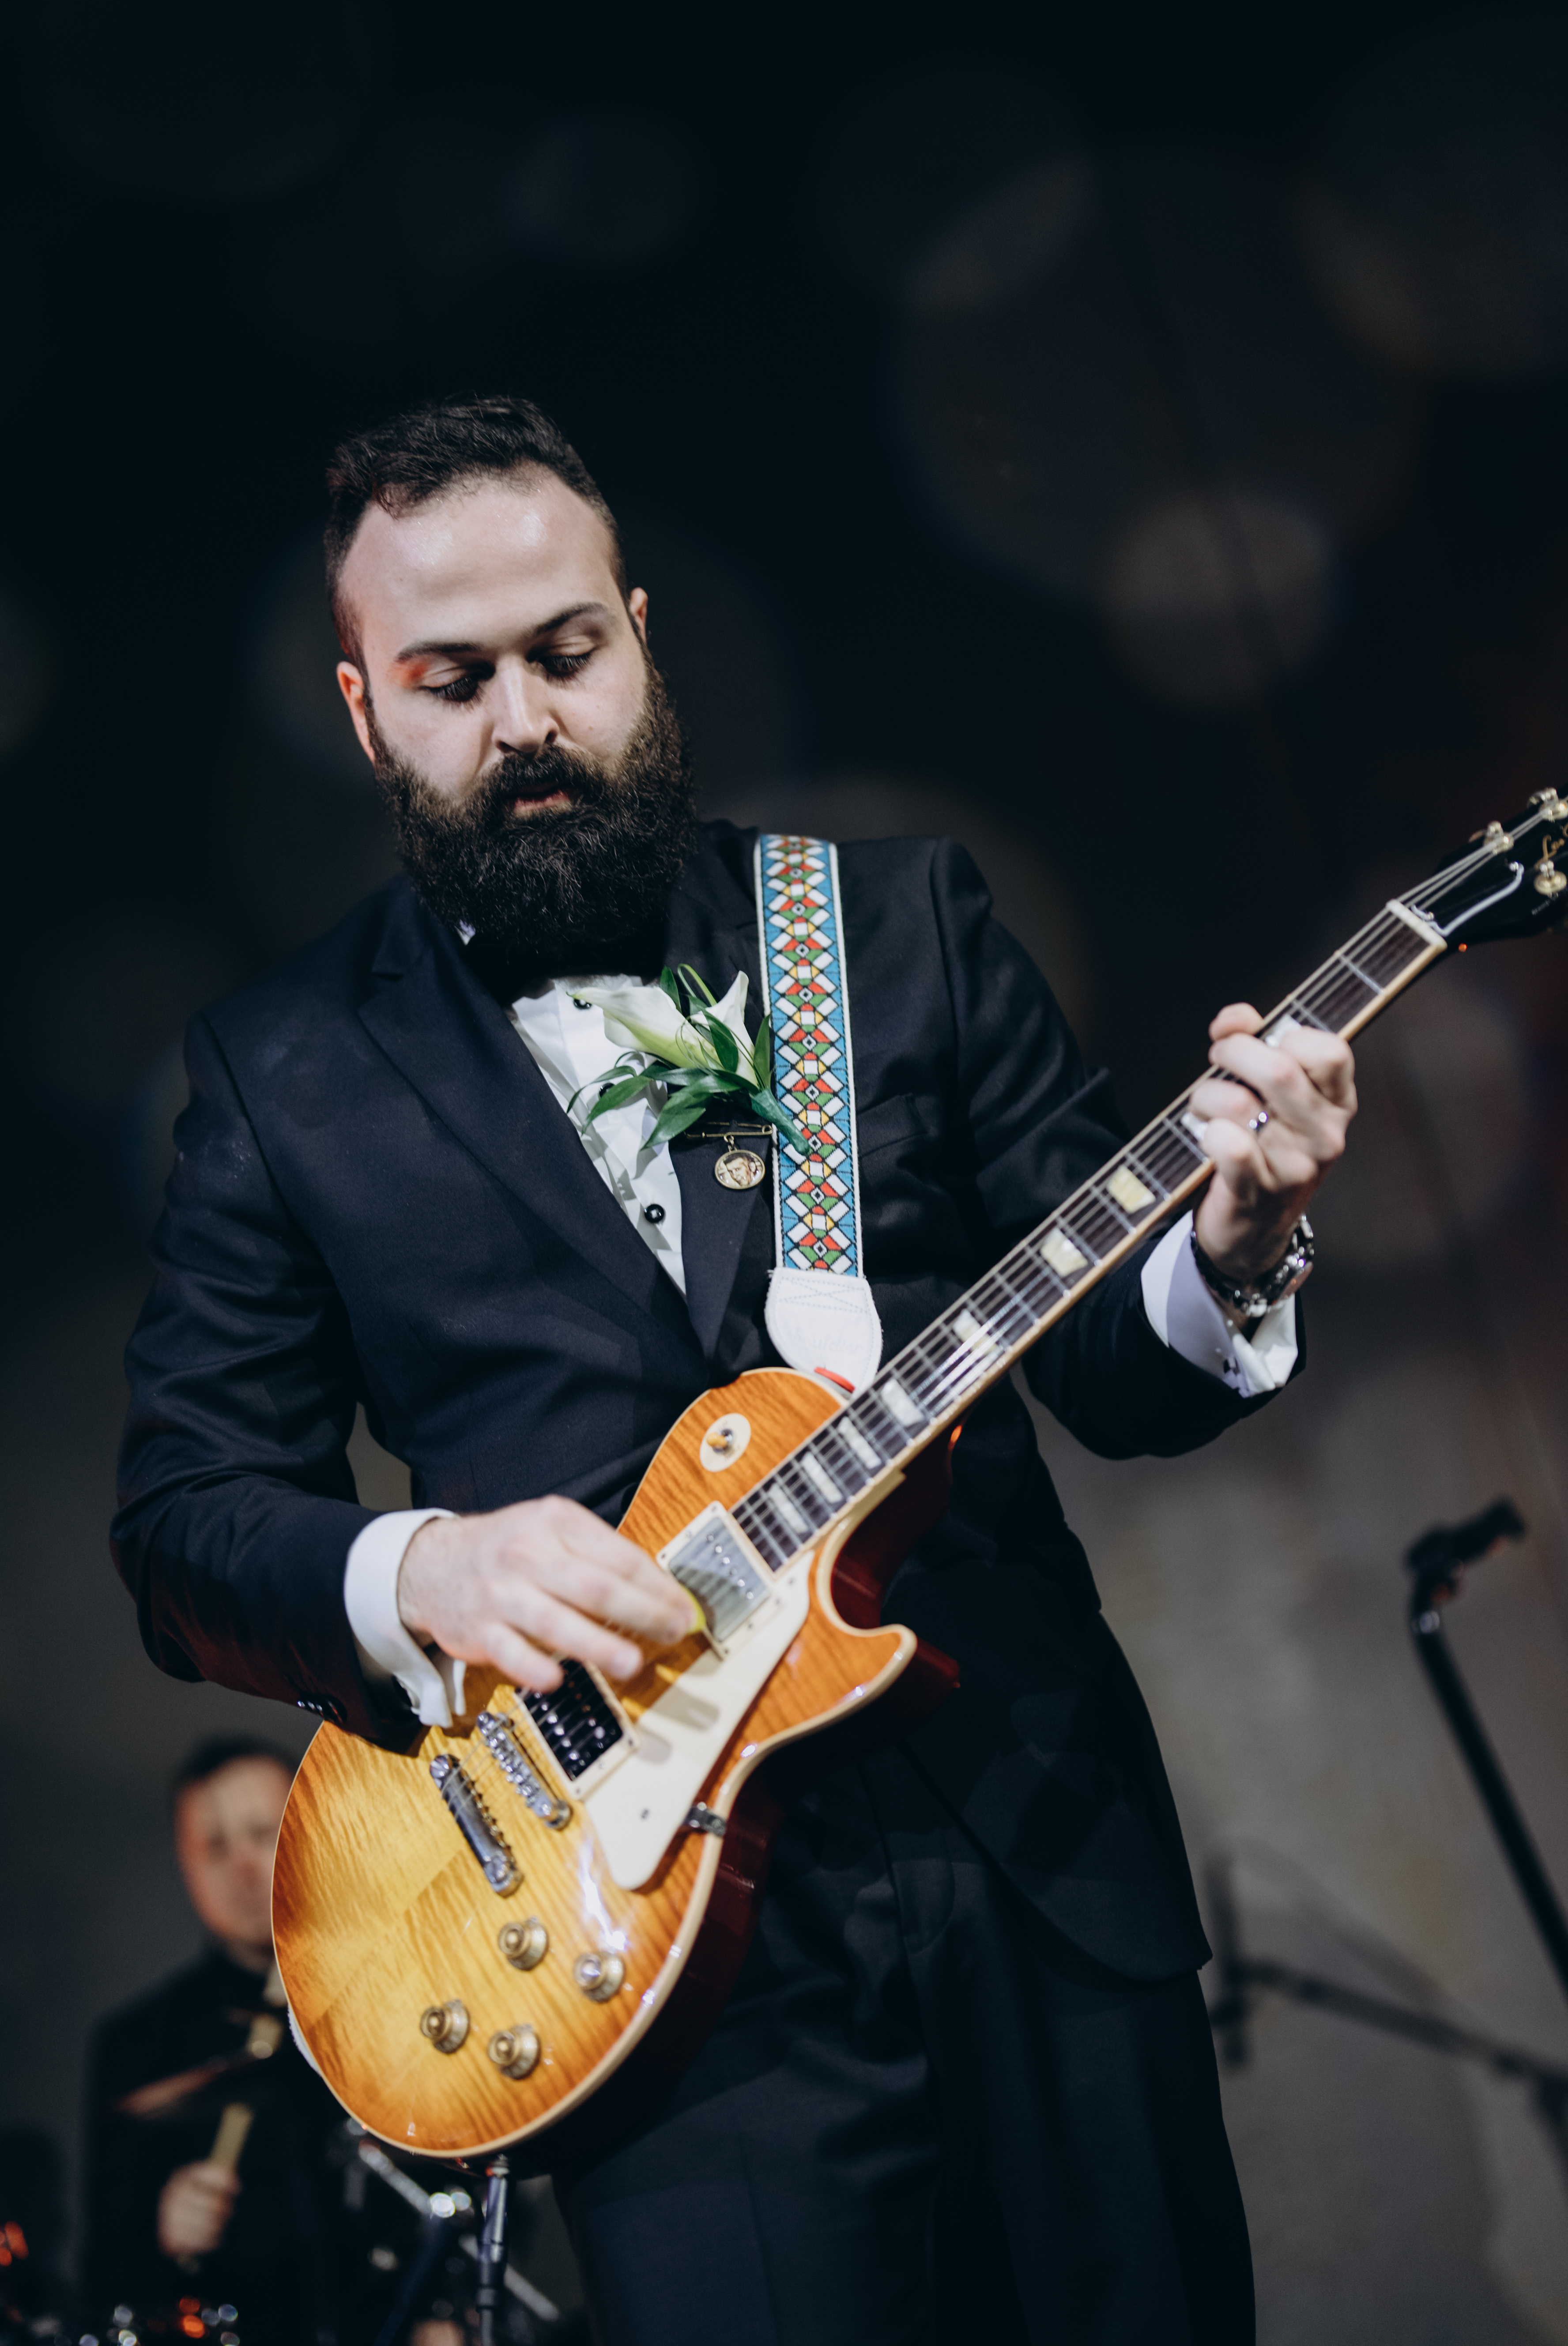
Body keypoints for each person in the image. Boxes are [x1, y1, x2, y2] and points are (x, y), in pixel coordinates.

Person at [113, 395, 1357, 2345]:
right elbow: (186, 1523)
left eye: (565, 651)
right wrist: (426, 1569)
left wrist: (1239, 1236)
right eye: (454, 680)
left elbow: (1126, 1371)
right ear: (364, 712)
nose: (525, 721)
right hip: (649, 1972)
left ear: (639, 633)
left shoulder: (892, 925)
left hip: (1031, 1853)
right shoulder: (283, 1073)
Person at [80, 1738, 439, 2344]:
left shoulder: (401, 1991)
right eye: (215, 1847)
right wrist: (163, 2238)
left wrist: (446, 2308)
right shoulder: (137, 2044)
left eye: (264, 1833)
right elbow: (102, 2281)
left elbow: (477, 2183)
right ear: (185, 1865)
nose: (244, 1868)